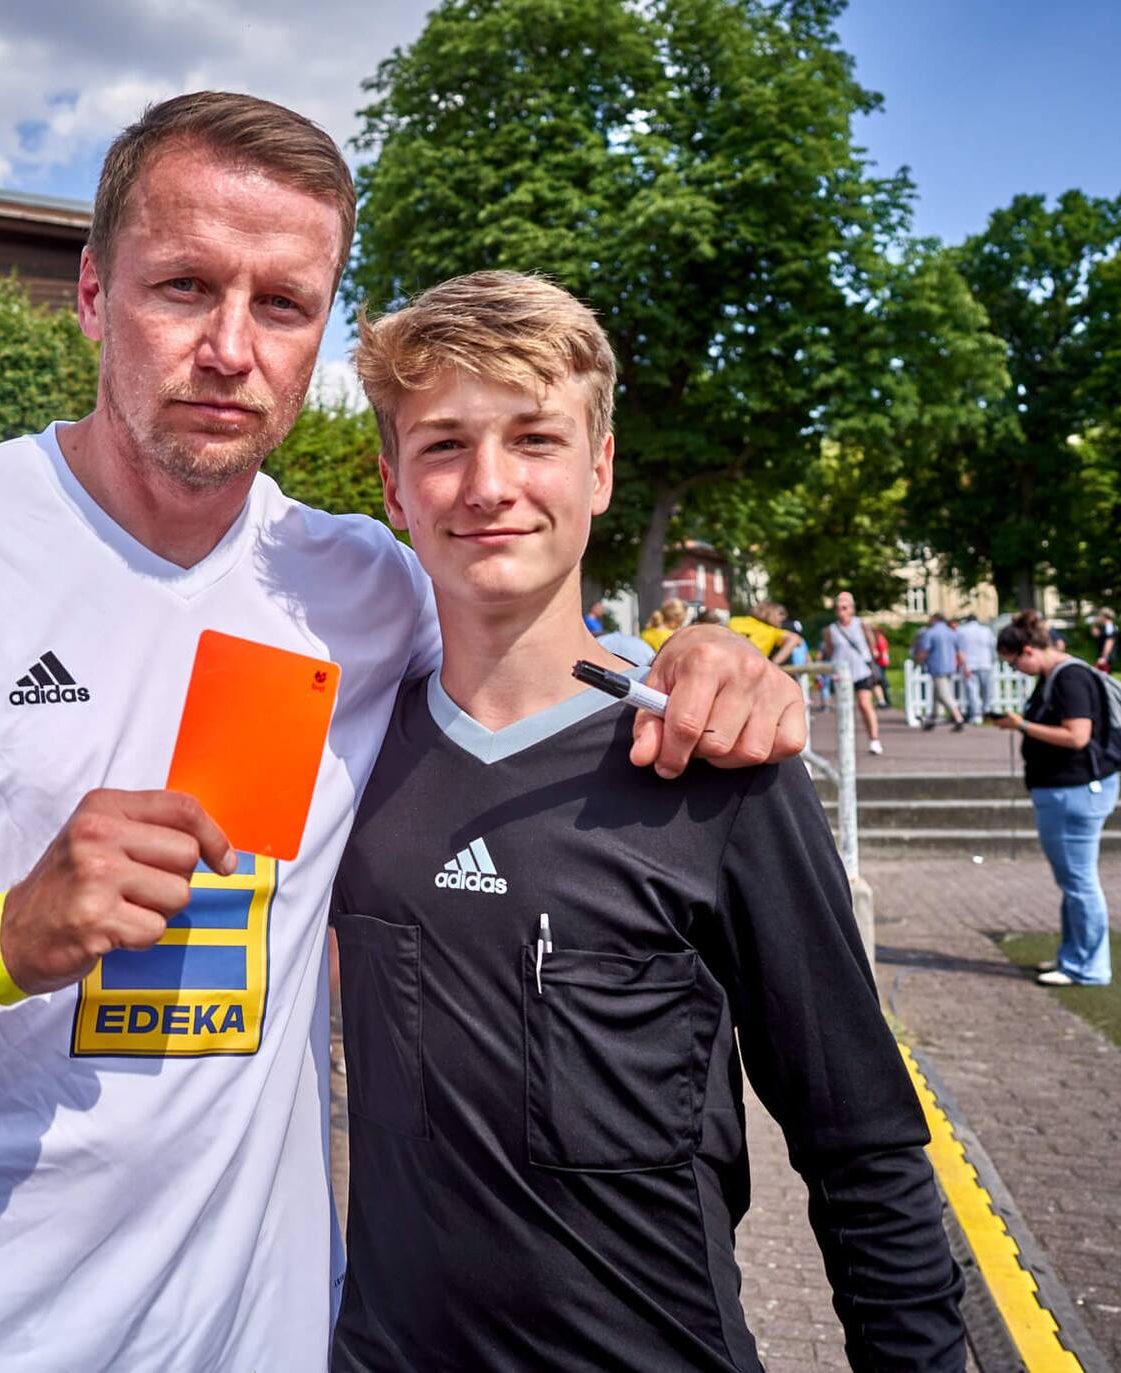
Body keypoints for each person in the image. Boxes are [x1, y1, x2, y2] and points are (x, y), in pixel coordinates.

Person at [0, 93, 805, 1371]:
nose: (229, 348)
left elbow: (532, 643)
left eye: (285, 305)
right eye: (184, 287)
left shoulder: (365, 584)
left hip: (269, 1338)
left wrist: (699, 657)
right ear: (93, 294)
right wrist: (1, 934)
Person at [332, 271, 963, 1370]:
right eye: (442, 445)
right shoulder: (342, 751)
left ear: (602, 468)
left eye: (535, 438)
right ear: (393, 485)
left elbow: (862, 1147)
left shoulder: (720, 768)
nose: (488, 484)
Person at [992, 611, 1120, 987]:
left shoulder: (1070, 677)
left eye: (1015, 662)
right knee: (1073, 882)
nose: (1016, 670)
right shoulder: (1056, 676)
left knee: (1080, 883)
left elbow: (1078, 736)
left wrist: (1023, 726)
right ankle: (1075, 956)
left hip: (1074, 791)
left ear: (1028, 650)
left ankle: (1089, 966)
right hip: (1066, 790)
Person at [822, 592, 884, 755]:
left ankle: (874, 739)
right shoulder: (831, 630)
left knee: (864, 704)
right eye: (838, 608)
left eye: (845, 607)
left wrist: (872, 659)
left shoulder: (860, 624)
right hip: (842, 675)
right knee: (844, 709)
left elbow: (872, 645)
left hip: (861, 671)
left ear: (851, 609)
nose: (841, 611)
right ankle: (846, 743)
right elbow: (829, 652)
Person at [912, 613, 964, 732]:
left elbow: (923, 650)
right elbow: (959, 651)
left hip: (937, 667)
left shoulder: (930, 633)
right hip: (950, 667)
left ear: (935, 619)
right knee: (937, 694)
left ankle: (958, 718)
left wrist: (918, 663)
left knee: (944, 695)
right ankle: (932, 720)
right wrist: (963, 665)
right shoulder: (951, 633)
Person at [728, 601, 802, 664]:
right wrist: (774, 664)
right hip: (752, 667)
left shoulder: (734, 621)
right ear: (770, 614)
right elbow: (795, 639)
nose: (781, 619)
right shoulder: (771, 631)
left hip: (726, 662)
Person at [956, 612, 997, 723]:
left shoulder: (961, 630)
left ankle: (976, 714)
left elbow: (958, 648)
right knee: (986, 690)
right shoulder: (986, 630)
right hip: (985, 663)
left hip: (969, 664)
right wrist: (993, 660)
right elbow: (993, 646)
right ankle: (986, 710)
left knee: (972, 690)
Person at [1090, 607, 1118, 673]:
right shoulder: (1105, 626)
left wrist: (1104, 657)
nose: (1098, 617)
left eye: (1099, 615)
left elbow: (1109, 641)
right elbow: (1095, 634)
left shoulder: (1109, 627)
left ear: (1104, 616)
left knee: (1102, 678)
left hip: (1106, 656)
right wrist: (1094, 623)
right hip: (1103, 656)